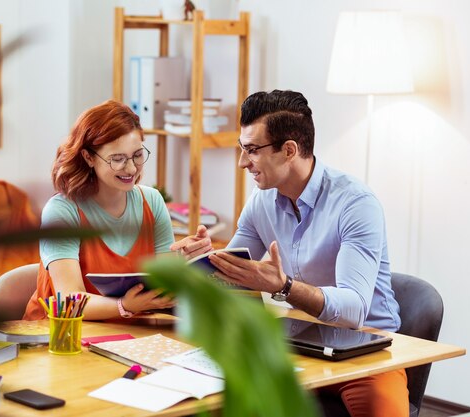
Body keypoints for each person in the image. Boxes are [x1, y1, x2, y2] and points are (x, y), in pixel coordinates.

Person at [172, 90, 408, 417]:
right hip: (294, 346)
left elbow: (354, 309)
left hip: (365, 351)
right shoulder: (260, 202)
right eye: (242, 149)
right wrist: (203, 260)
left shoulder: (355, 204)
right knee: (208, 401)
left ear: (289, 150)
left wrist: (283, 287)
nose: (243, 162)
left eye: (252, 150)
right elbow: (235, 272)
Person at [23, 99, 176, 321]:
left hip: (129, 333)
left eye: (137, 155)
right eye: (117, 159)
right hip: (59, 336)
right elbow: (69, 299)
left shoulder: (151, 201)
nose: (131, 168)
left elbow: (165, 285)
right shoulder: (62, 211)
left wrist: (186, 263)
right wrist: (124, 306)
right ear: (88, 157)